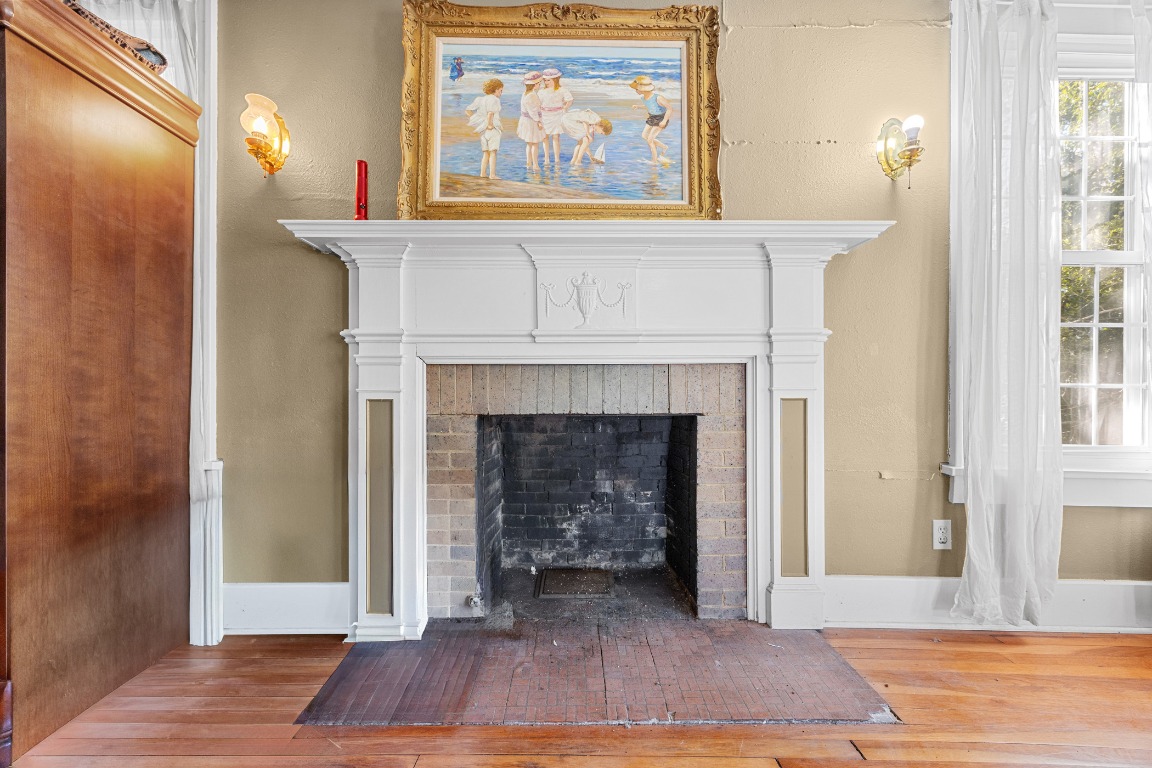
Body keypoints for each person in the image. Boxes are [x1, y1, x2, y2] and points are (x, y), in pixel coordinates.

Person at [464, 78, 504, 179]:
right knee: (493, 152)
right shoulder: (495, 99)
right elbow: (491, 113)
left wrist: (477, 120)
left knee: (486, 153)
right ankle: (492, 174)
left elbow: (468, 110)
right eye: (500, 91)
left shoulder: (480, 99)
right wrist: (490, 124)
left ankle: (482, 173)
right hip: (492, 129)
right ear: (495, 90)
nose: (501, 93)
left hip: (483, 130)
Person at [629, 75, 672, 164]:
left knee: (650, 140)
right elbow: (649, 105)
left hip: (661, 118)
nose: (635, 91)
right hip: (652, 118)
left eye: (636, 89)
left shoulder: (658, 97)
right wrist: (638, 106)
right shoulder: (643, 98)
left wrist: (664, 121)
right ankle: (664, 147)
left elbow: (669, 108)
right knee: (644, 136)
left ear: (642, 89)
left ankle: (654, 160)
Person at [538, 67, 573, 167]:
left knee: (556, 137)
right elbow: (538, 104)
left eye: (549, 80)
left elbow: (570, 99)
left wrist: (565, 108)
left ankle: (557, 159)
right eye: (545, 80)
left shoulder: (562, 90)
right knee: (545, 137)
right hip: (545, 115)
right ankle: (547, 158)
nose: (546, 82)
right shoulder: (541, 91)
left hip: (557, 115)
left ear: (555, 80)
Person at [516, 71, 546, 171]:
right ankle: (535, 165)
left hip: (525, 120)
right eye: (539, 84)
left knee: (529, 144)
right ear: (535, 84)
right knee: (535, 144)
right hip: (531, 122)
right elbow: (533, 111)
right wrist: (538, 121)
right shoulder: (532, 95)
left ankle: (529, 162)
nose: (539, 85)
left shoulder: (525, 93)